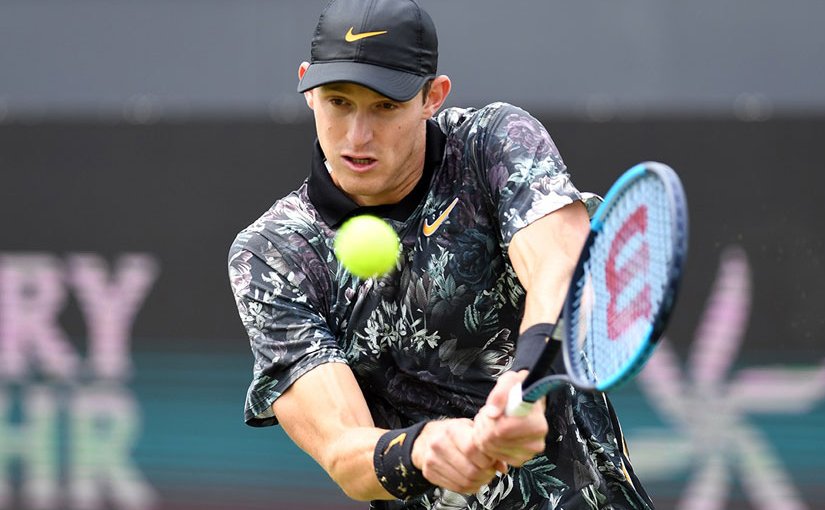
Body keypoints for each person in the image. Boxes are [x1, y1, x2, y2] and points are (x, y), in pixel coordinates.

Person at [228, 0, 654, 508]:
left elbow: (559, 267)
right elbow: (343, 451)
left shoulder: (492, 144)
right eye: (339, 102)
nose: (357, 136)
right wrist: (422, 450)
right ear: (308, 89)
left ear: (433, 96)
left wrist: (527, 377)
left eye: (385, 105)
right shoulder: (275, 254)